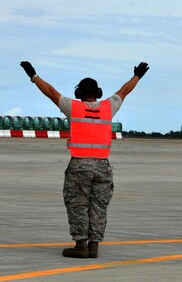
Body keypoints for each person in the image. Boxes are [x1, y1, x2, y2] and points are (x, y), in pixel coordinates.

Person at [19, 61, 149, 258]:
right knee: (99, 205)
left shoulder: (73, 108)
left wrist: (33, 76)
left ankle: (81, 246)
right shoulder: (108, 107)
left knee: (78, 204)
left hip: (79, 164)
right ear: (98, 91)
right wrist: (137, 76)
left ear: (79, 93)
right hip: (102, 166)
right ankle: (94, 245)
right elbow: (124, 90)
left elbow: (51, 92)